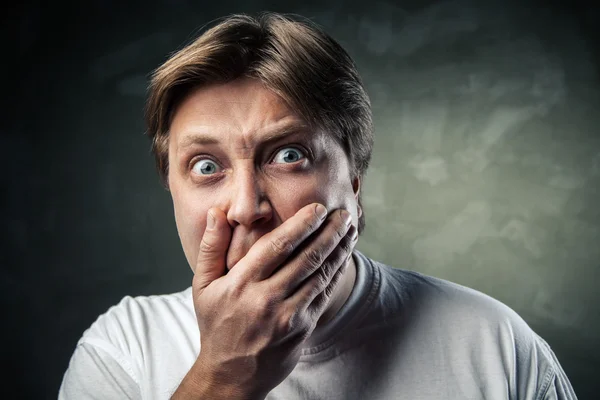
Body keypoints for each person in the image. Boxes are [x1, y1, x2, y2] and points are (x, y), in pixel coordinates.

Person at [59, 12, 578, 400]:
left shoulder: (495, 346)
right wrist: (223, 377)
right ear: (171, 189)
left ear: (354, 181)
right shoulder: (123, 351)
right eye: (206, 166)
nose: (245, 207)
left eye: (288, 156)